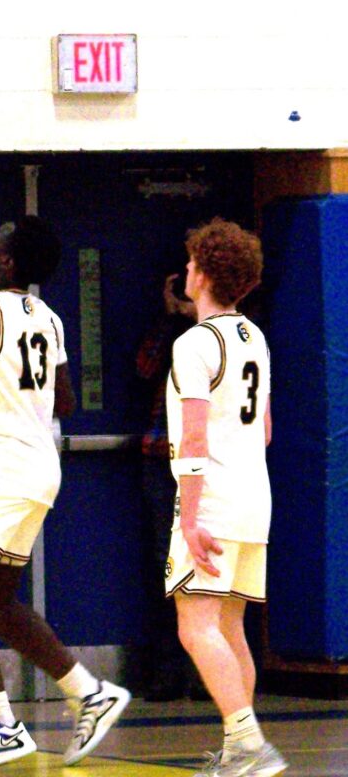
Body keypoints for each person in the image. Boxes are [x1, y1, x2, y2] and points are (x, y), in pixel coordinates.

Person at [0, 217, 130, 774]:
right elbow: (64, 400)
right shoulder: (50, 317)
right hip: (42, 466)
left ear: (8, 264)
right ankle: (88, 691)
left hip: (5, 468)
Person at [165, 219, 285, 777]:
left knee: (196, 627)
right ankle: (242, 747)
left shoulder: (194, 343)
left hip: (211, 499)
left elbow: (193, 437)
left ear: (206, 273)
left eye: (191, 263)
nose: (185, 271)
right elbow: (263, 430)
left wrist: (189, 519)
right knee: (229, 627)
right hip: (254, 496)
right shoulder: (253, 336)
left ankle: (248, 744)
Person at [134, 272, 195, 701]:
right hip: (161, 456)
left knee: (209, 567)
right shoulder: (173, 331)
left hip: (209, 463)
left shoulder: (231, 329)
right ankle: (168, 667)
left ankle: (202, 669)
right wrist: (173, 319)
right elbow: (146, 368)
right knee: (165, 565)